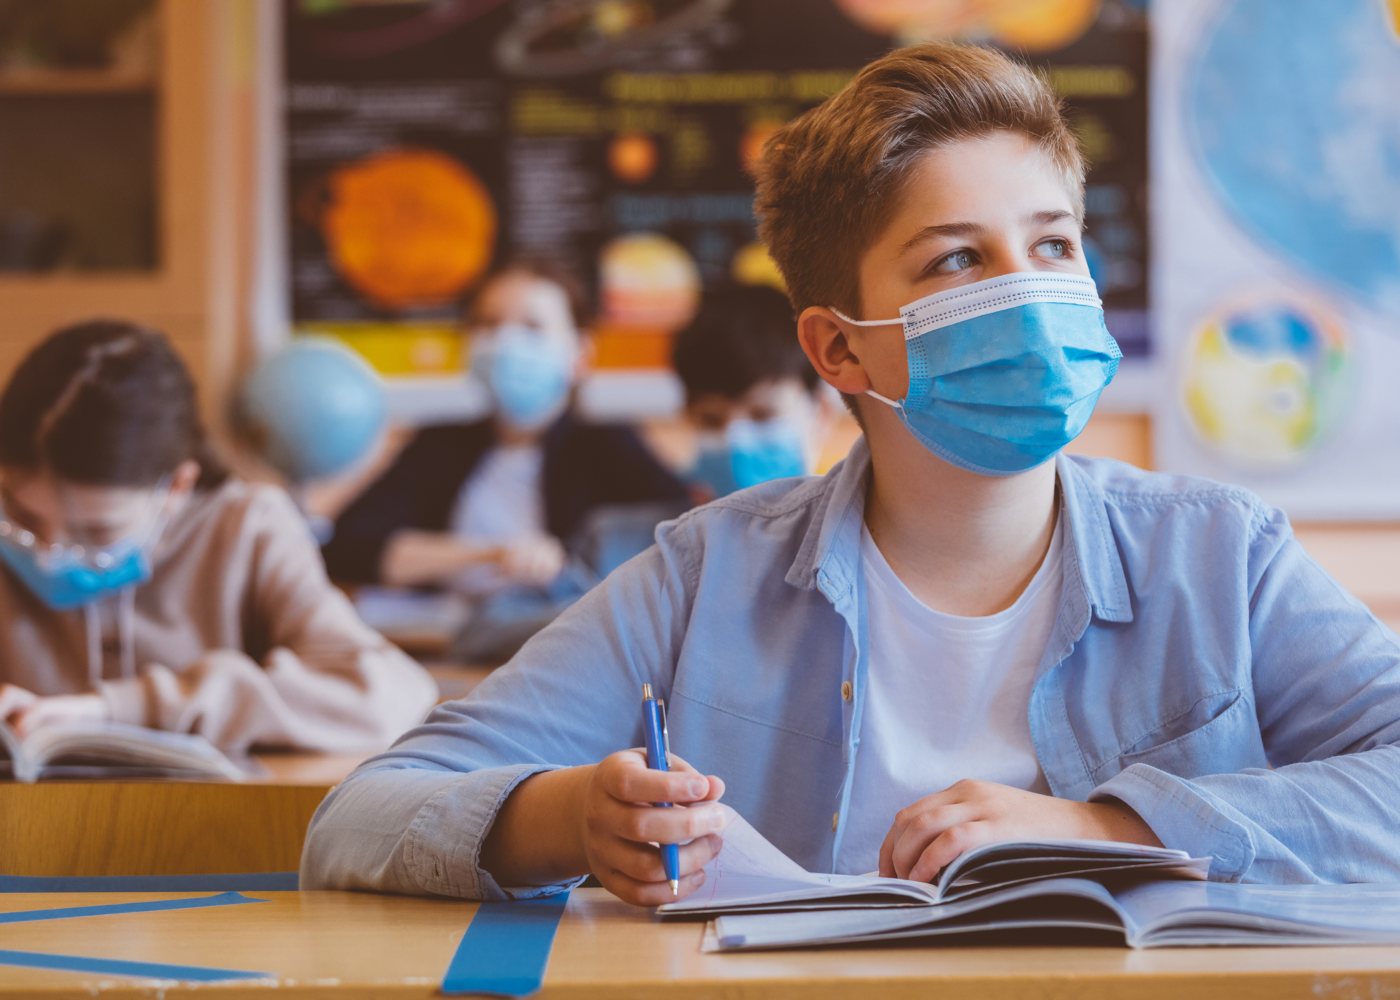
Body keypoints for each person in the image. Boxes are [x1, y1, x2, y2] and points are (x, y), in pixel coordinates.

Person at [302, 41, 1400, 905]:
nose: (1028, 292)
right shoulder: (705, 579)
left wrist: (1109, 826)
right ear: (836, 349)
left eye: (1053, 245)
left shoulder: (1218, 553)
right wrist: (570, 816)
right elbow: (358, 817)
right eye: (958, 259)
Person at [0, 320, 437, 753]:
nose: (48, 553)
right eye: (23, 515)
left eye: (97, 530)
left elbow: (385, 696)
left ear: (175, 487)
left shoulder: (246, 527)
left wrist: (122, 709)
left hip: (211, 822)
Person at [320, 260, 689, 597]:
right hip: (446, 646)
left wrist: (560, 559)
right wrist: (491, 553)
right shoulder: (438, 445)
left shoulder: (607, 445)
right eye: (488, 323)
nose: (505, 343)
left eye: (532, 326)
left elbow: (678, 538)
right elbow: (348, 547)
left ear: (580, 351)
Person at [672, 284, 838, 501]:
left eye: (763, 415)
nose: (734, 440)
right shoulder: (661, 532)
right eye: (711, 420)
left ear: (821, 413)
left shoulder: (867, 529)